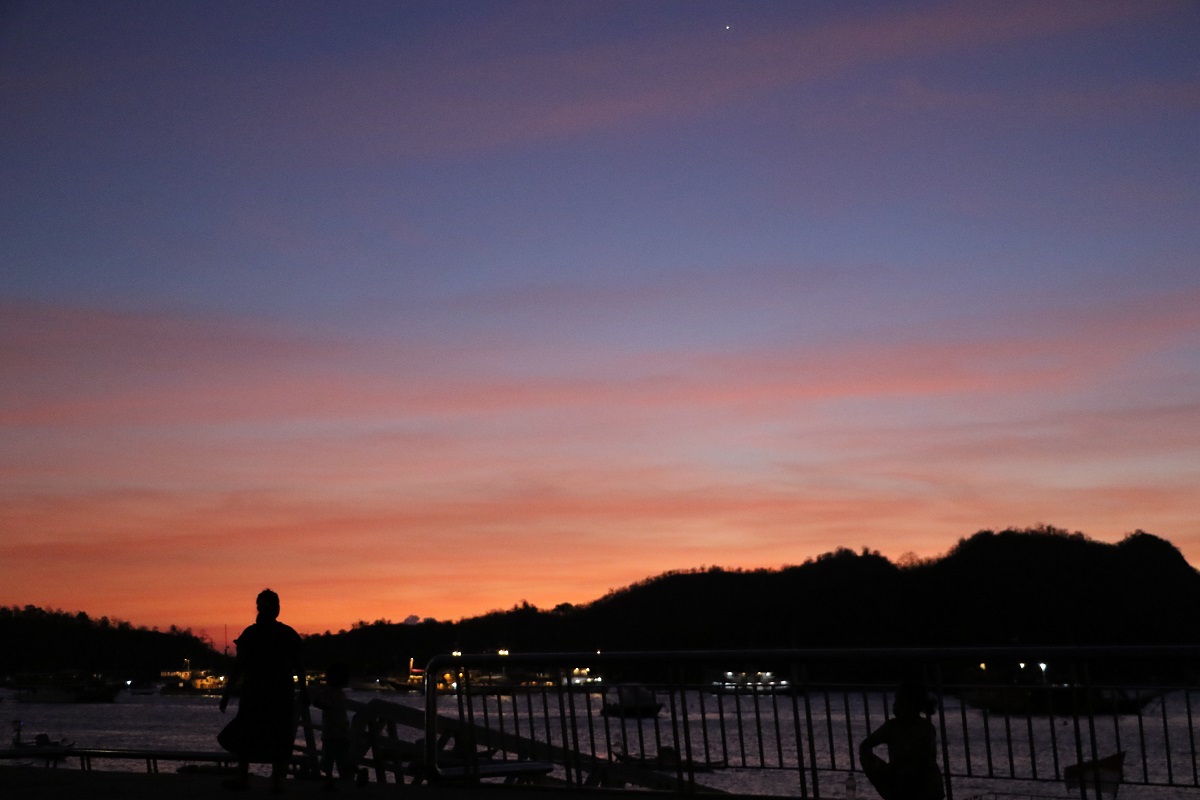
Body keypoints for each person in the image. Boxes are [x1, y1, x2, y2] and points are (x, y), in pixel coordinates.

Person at [219, 589, 306, 793]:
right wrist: (304, 691)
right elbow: (299, 665)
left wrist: (227, 693)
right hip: (267, 694)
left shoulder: (260, 634)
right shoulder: (279, 634)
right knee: (264, 735)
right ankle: (270, 781)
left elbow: (238, 667)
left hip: (266, 694)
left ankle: (255, 780)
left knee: (264, 735)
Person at [858, 679, 945, 800]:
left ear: (911, 703)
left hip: (908, 785)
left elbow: (865, 746)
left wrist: (883, 770)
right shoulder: (926, 727)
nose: (895, 703)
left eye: (898, 699)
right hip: (928, 786)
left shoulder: (894, 727)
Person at [309, 661, 354, 789]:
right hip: (343, 732)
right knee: (342, 759)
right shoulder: (340, 694)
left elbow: (326, 706)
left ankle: (330, 782)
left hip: (331, 733)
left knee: (328, 760)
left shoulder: (333, 694)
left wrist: (315, 699)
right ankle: (352, 776)